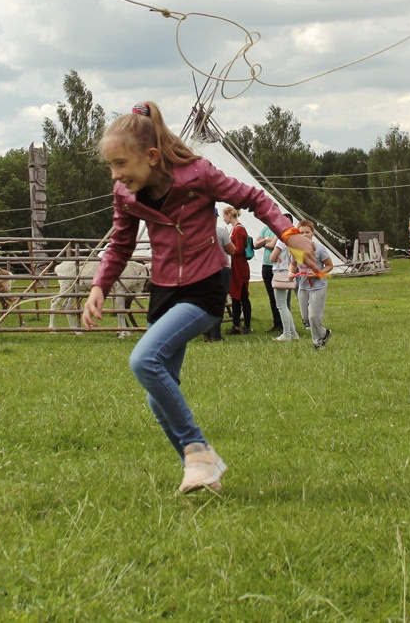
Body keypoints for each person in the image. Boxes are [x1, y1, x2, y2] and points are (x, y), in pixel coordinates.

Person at [82, 100, 315, 494]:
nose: (115, 175)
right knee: (159, 394)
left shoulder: (198, 174)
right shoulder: (126, 194)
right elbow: (120, 244)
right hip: (164, 290)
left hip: (205, 285)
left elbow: (255, 199)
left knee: (144, 360)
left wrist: (288, 234)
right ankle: (202, 471)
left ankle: (200, 453)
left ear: (152, 156)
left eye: (120, 164)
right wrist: (98, 286)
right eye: (111, 166)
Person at [293, 220, 333, 349]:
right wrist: (290, 272)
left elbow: (329, 265)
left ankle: (317, 342)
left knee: (313, 316)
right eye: (301, 233)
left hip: (317, 287)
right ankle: (324, 333)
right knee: (305, 318)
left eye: (307, 232)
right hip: (303, 287)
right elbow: (293, 264)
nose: (304, 235)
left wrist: (318, 273)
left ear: (313, 233)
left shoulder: (319, 249)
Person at [202, 205, 234, 342]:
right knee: (219, 302)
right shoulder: (221, 232)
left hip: (203, 270)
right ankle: (215, 334)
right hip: (221, 269)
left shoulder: (196, 233)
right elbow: (232, 250)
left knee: (205, 302)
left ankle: (206, 334)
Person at [223, 207, 253, 334]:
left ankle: (245, 325)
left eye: (225, 216)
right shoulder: (234, 230)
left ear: (229, 215)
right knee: (236, 296)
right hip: (236, 266)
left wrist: (227, 244)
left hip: (240, 267)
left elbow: (239, 249)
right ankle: (237, 324)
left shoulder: (239, 230)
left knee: (242, 296)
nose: (224, 218)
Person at [255, 217, 288, 332]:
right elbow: (255, 245)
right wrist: (266, 240)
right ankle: (277, 323)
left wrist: (264, 241)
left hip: (278, 268)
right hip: (266, 266)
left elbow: (273, 245)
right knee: (272, 297)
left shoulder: (280, 230)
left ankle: (285, 324)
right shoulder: (265, 229)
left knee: (282, 298)